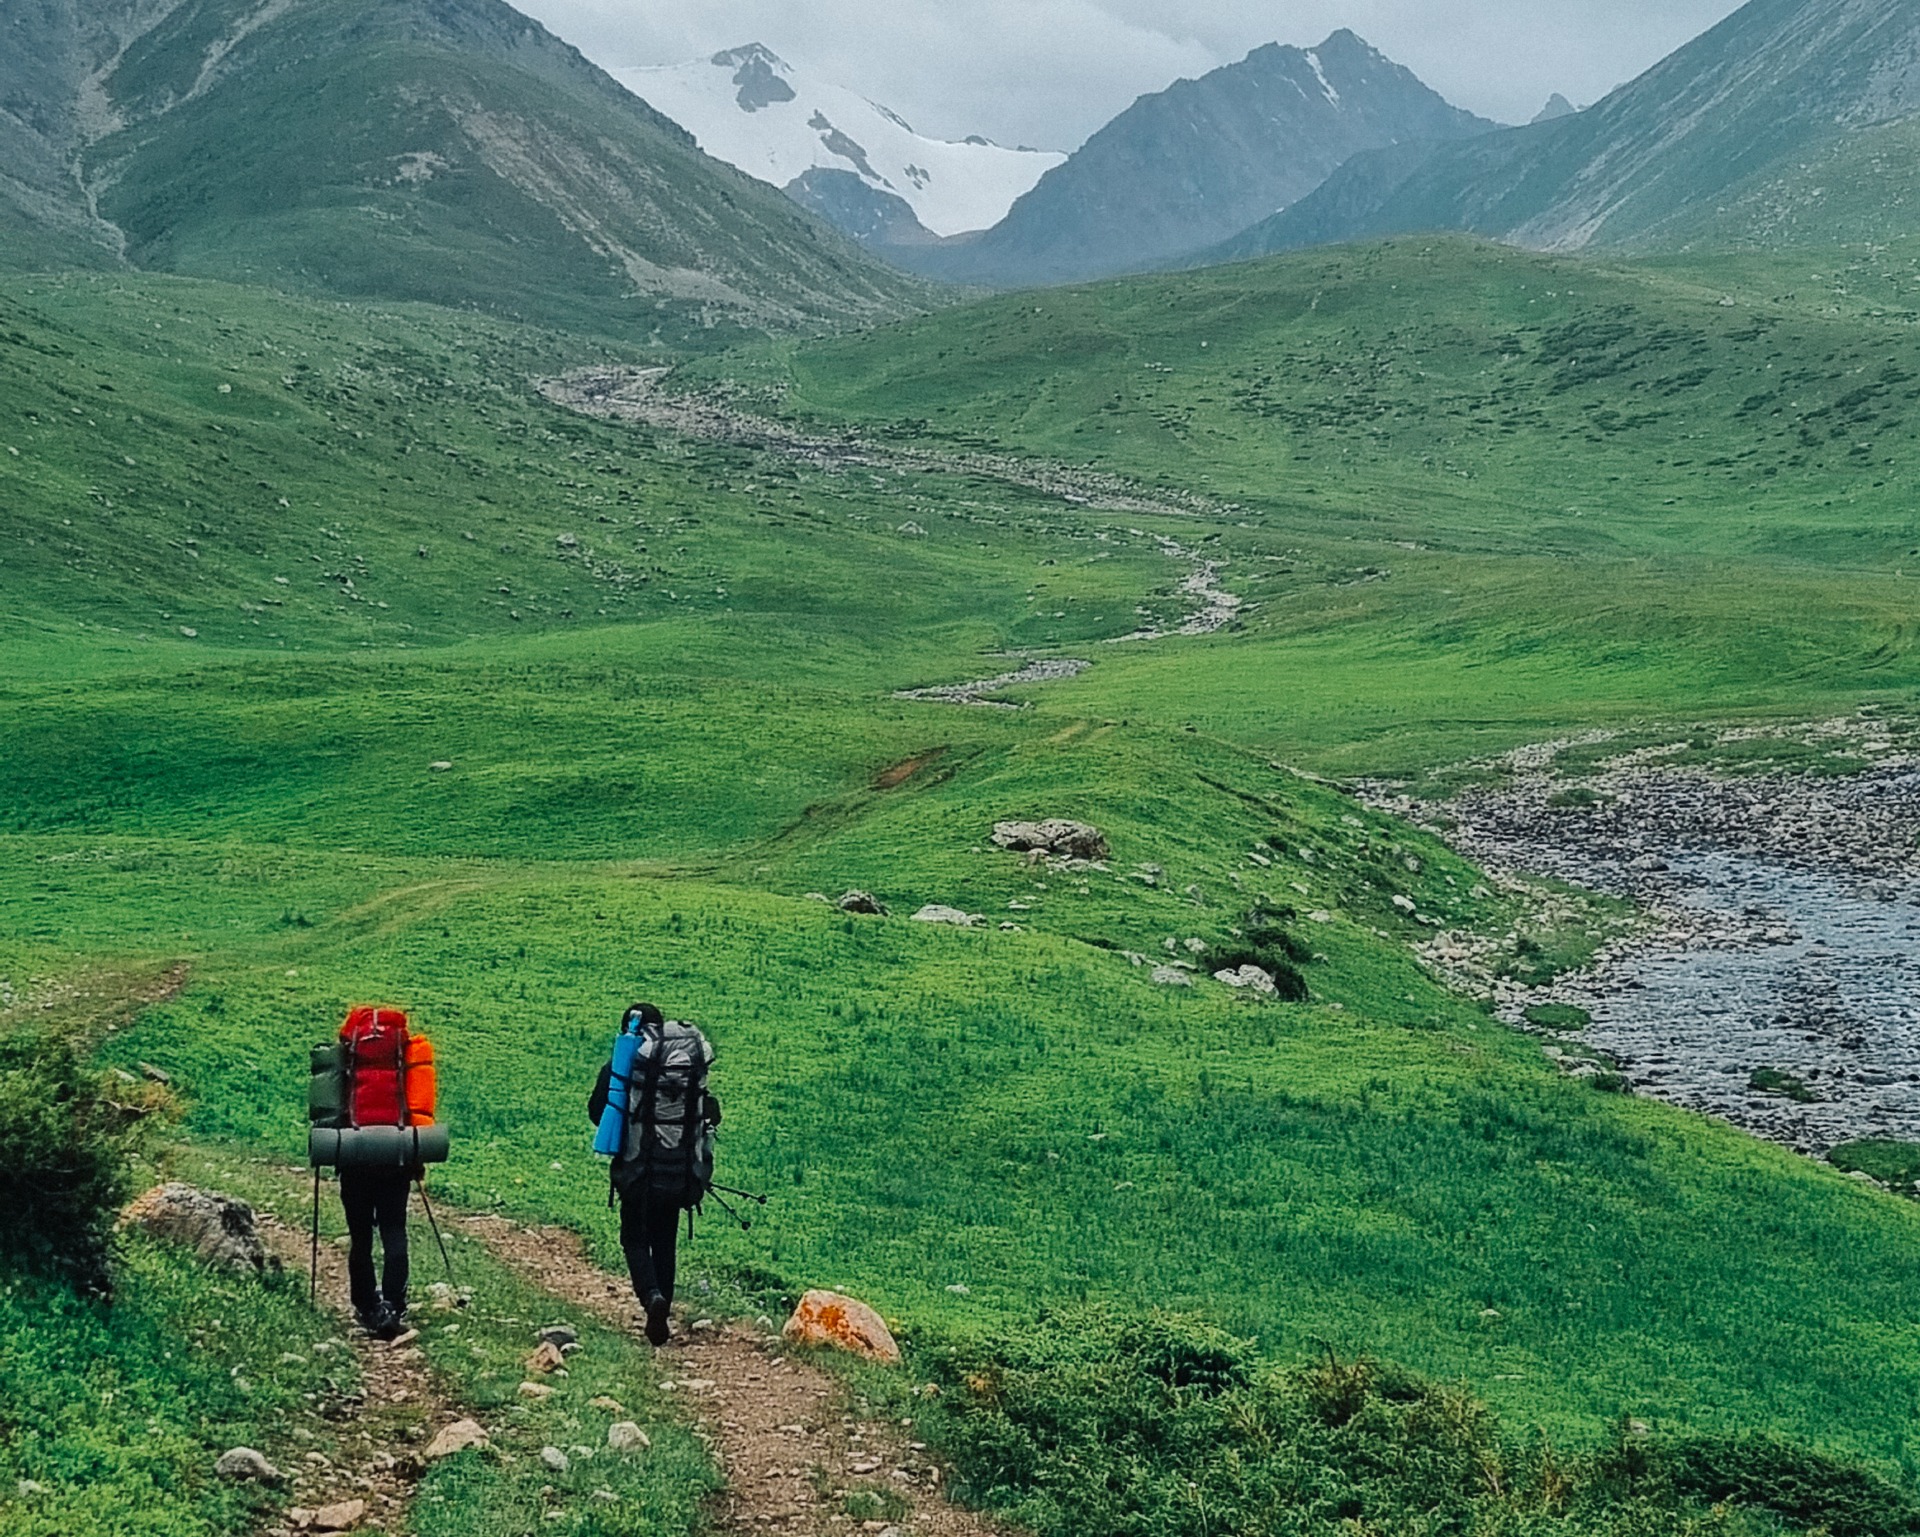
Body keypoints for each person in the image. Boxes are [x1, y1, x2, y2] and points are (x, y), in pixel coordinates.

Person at [588, 1002, 719, 1346]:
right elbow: (710, 1112)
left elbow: (596, 1112)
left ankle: (652, 1300)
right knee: (665, 1242)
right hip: (678, 1174)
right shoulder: (687, 1070)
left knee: (634, 1239)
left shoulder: (622, 1068)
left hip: (637, 1174)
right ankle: (663, 1310)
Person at [340, 1164, 412, 1341]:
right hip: (395, 1174)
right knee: (394, 1234)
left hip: (354, 1175)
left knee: (360, 1240)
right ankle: (393, 1305)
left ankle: (366, 1305)